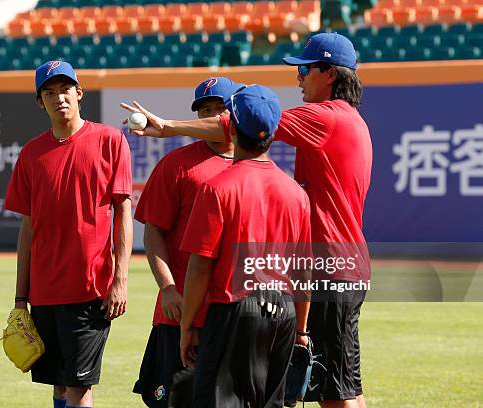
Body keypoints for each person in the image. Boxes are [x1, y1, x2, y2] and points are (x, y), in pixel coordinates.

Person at [121, 32, 372, 408]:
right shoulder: (347, 121)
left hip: (329, 269)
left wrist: (168, 126)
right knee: (337, 386)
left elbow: (247, 124)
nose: (298, 77)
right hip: (335, 267)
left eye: (305, 69)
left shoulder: (326, 117)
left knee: (337, 394)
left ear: (330, 74)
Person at [5, 60, 133, 408]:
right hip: (44, 291)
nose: (59, 97)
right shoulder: (32, 154)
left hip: (90, 287)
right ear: (39, 102)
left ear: (80, 93)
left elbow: (123, 211)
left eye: (65, 89)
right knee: (59, 386)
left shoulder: (109, 140)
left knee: (79, 388)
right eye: (49, 92)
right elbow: (27, 227)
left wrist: (120, 279)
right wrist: (21, 298)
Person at [179, 84, 312, 408]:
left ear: (232, 128)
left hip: (234, 309)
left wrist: (188, 325)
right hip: (282, 312)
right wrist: (301, 330)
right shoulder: (296, 194)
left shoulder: (217, 189)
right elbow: (303, 273)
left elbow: (200, 267)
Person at [132, 77, 242, 407]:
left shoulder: (256, 166)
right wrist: (166, 287)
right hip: (179, 310)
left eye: (219, 110)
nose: (211, 117)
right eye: (204, 110)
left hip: (234, 313)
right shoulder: (176, 165)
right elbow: (153, 232)